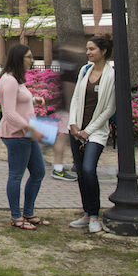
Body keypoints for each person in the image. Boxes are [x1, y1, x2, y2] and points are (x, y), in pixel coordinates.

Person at [67, 34, 116, 233]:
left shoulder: (111, 74)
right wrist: (73, 124)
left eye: (92, 49)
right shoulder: (85, 70)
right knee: (80, 173)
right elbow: (76, 97)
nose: (88, 52)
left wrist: (89, 131)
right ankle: (87, 214)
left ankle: (95, 214)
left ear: (103, 51)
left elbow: (109, 109)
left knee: (89, 169)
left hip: (95, 133)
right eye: (87, 49)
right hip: (77, 130)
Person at [0, 43, 48, 230]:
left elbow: (19, 101)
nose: (32, 60)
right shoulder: (9, 80)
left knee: (39, 172)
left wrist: (34, 100)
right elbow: (9, 113)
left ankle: (28, 212)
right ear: (19, 58)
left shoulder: (16, 79)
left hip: (26, 133)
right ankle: (16, 217)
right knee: (16, 176)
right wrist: (29, 128)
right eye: (29, 56)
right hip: (17, 135)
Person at [49, 33, 88, 181]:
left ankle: (73, 164)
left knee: (66, 136)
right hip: (66, 106)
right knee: (62, 137)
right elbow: (67, 84)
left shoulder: (64, 59)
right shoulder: (67, 59)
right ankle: (58, 169)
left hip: (64, 105)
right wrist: (72, 106)